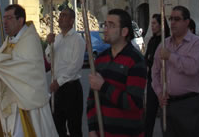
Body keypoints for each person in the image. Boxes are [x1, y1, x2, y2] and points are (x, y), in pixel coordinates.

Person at [0, 4, 58, 137]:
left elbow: (23, 69)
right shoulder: (10, 40)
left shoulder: (30, 39)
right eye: (4, 18)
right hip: (10, 100)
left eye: (9, 18)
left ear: (20, 20)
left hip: (26, 102)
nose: (5, 22)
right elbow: (4, 63)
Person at [87, 8, 146, 137]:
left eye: (111, 25)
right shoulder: (100, 59)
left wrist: (103, 86)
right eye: (105, 24)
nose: (105, 29)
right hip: (102, 132)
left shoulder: (136, 60)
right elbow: (92, 99)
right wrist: (92, 129)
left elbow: (133, 103)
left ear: (124, 31)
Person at [151, 5, 199, 137]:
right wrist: (159, 93)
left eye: (177, 19)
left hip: (188, 103)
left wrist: (170, 56)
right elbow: (155, 72)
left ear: (187, 22)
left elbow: (192, 68)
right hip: (167, 103)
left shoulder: (197, 44)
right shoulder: (164, 44)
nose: (173, 23)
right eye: (171, 19)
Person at [45, 8, 86, 137]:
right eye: (60, 15)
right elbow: (48, 58)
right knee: (57, 125)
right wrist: (49, 44)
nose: (60, 17)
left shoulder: (77, 40)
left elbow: (75, 65)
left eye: (64, 15)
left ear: (72, 20)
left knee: (74, 127)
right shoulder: (56, 38)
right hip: (58, 89)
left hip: (71, 88)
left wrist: (59, 81)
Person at [144, 14, 170, 137]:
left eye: (154, 23)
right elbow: (147, 59)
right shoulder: (152, 40)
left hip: (165, 82)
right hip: (152, 82)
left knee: (166, 114)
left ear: (161, 24)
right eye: (151, 23)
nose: (152, 26)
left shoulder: (167, 41)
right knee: (149, 113)